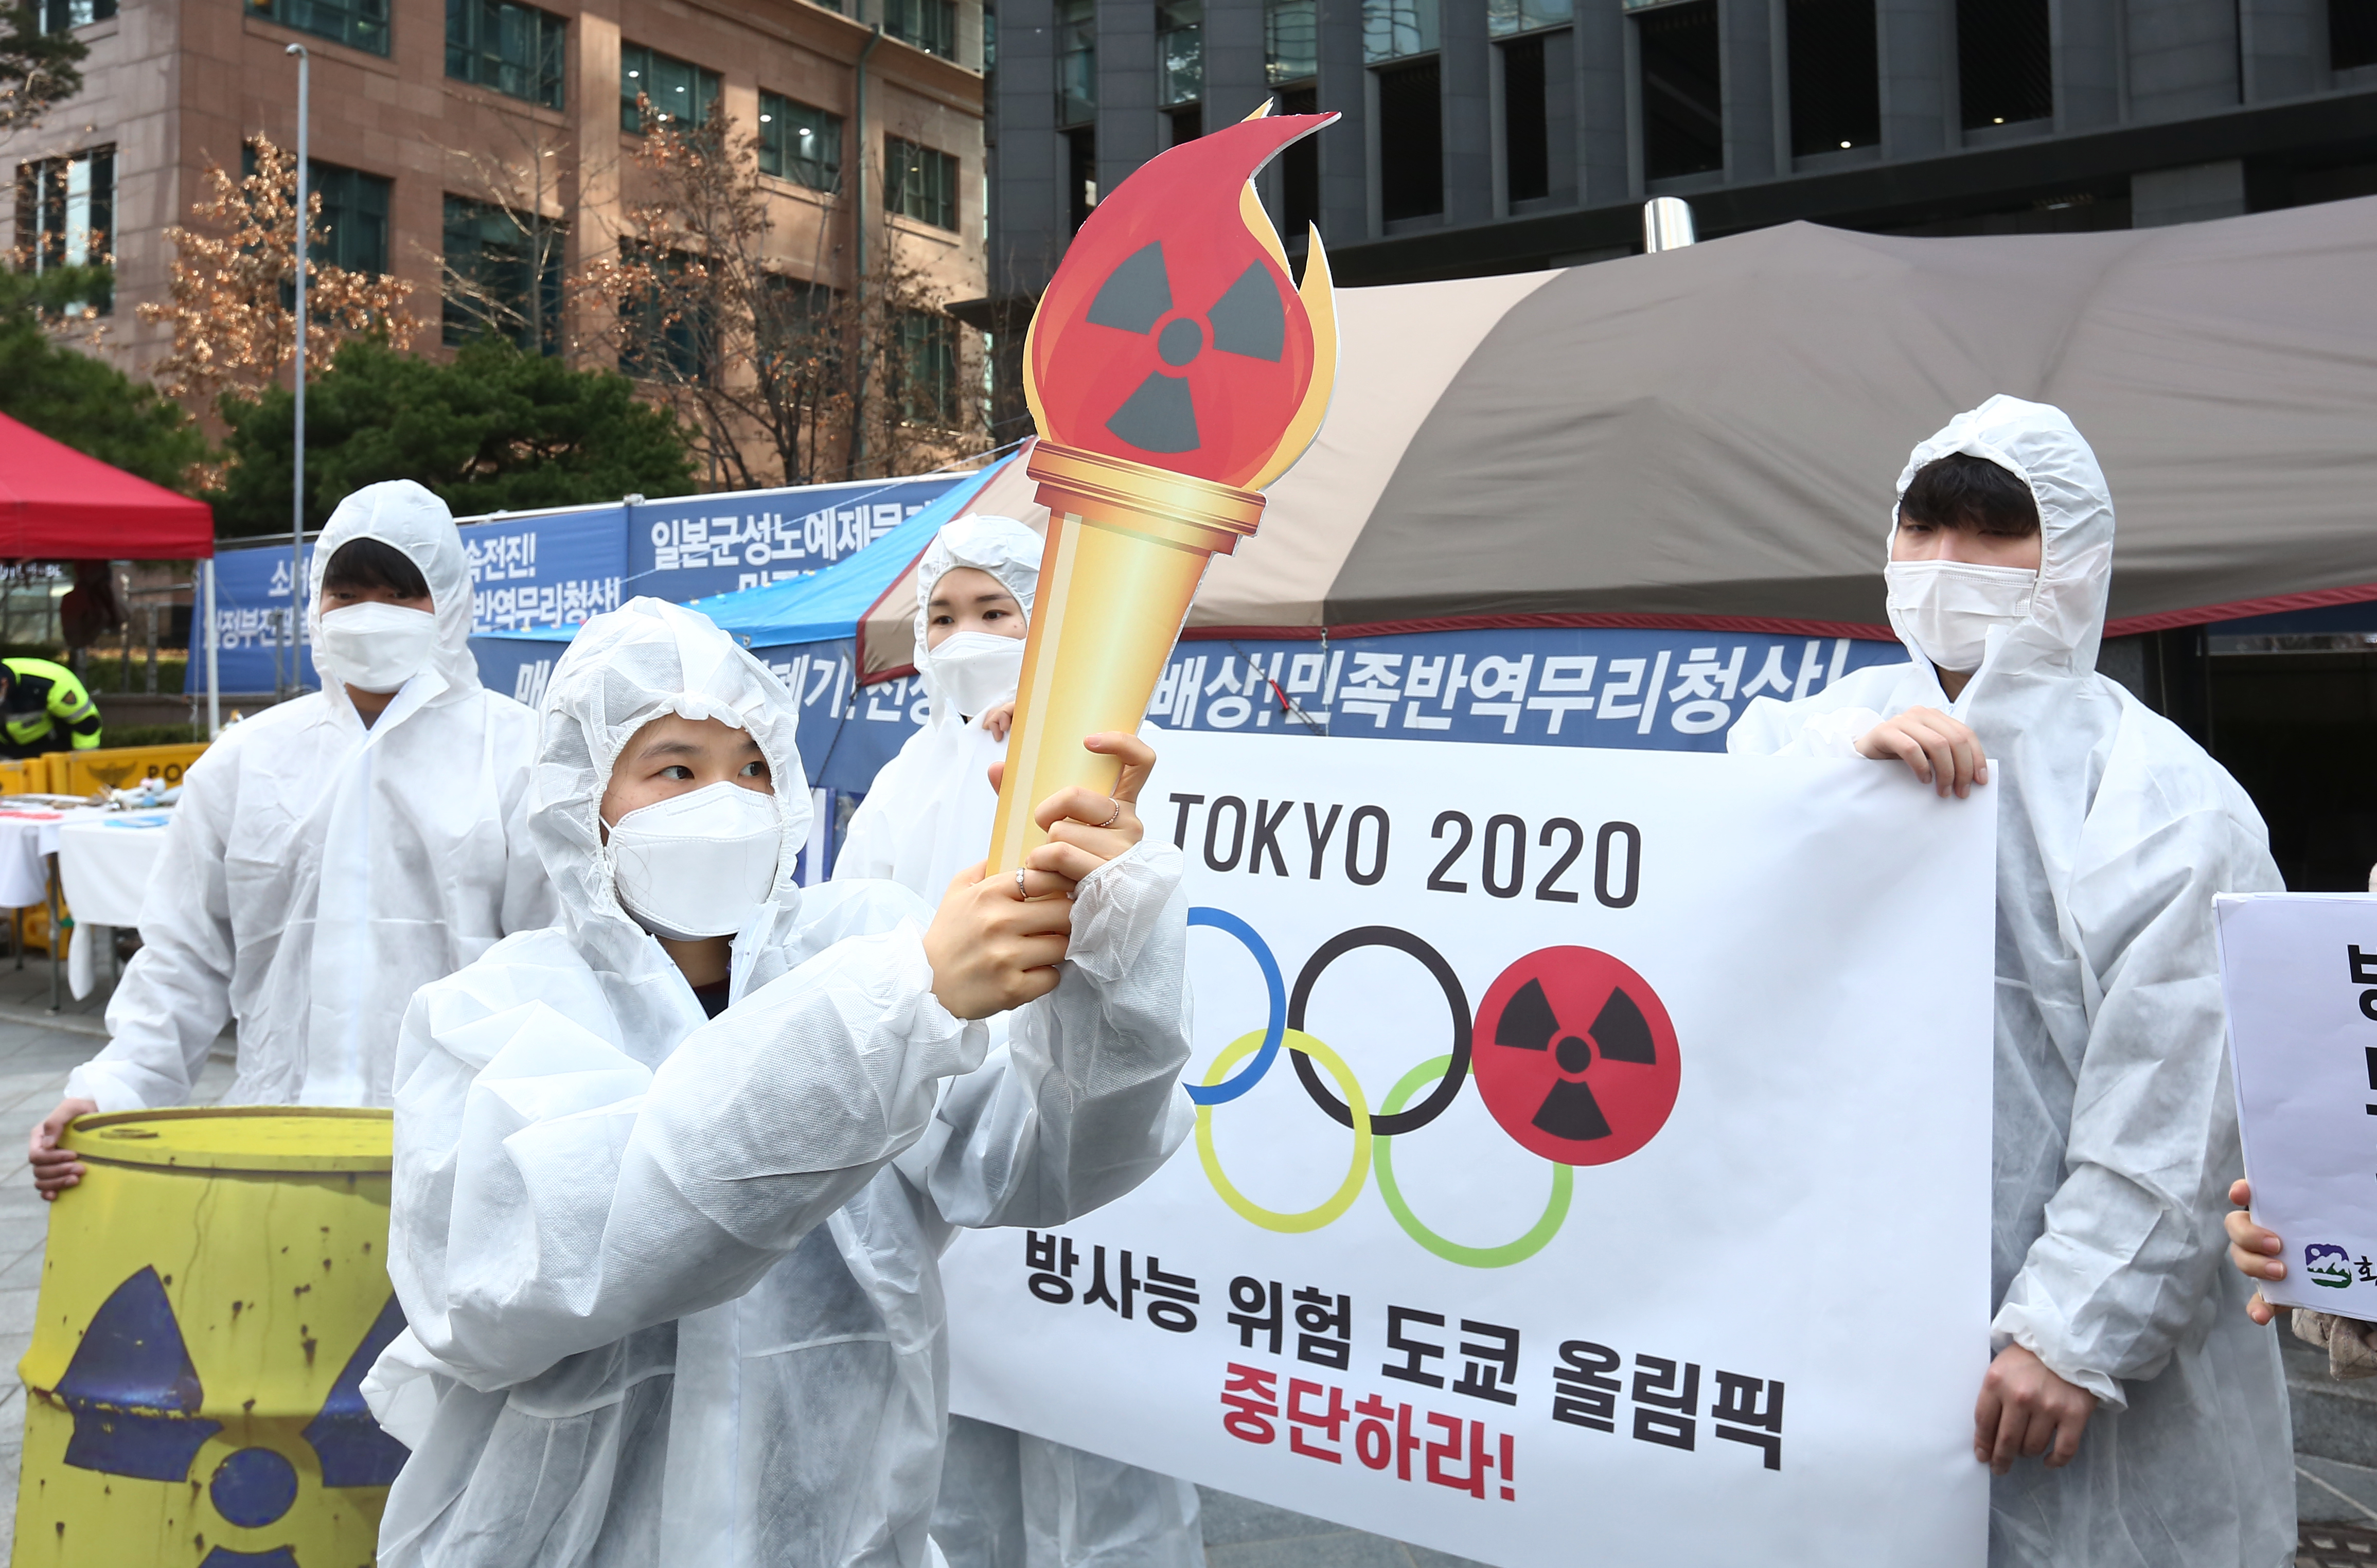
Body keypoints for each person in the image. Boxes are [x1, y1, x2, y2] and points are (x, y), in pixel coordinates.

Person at [360, 597, 1194, 1568]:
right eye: (676, 768)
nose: (728, 799)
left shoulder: (860, 944)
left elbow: (1051, 1160)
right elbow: (562, 1263)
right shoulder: (491, 1015)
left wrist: (1105, 961)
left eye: (754, 767)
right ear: (584, 799)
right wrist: (903, 1002)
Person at [1728, 396, 2292, 1567]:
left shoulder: (2164, 801)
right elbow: (1700, 894)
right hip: (1843, 1311)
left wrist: (2072, 1329)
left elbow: (2182, 1103)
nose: (1947, 563)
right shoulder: (1819, 734)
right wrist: (1826, 786)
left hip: (2071, 1384)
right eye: (1923, 528)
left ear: (2073, 559)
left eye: (1994, 534)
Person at [838, 515, 1209, 1568]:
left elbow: (1154, 938)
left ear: (1049, 622)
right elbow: (854, 947)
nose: (967, 637)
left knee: (1109, 1451)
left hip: (1085, 1123)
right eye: (944, 617)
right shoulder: (902, 782)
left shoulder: (1114, 764)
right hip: (936, 1141)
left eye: (996, 611)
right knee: (961, 1450)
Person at [26, 480, 554, 1196]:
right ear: (316, 605)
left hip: (462, 1157)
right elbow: (185, 957)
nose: (370, 616)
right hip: (275, 1143)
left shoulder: (519, 757)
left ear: (451, 601)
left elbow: (554, 967)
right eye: (348, 594)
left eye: (401, 595)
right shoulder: (249, 762)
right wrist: (112, 1091)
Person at [0, 654, 103, 758]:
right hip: (6, 749)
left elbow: (87, 724)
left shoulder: (54, 683)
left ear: (4, 684)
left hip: (54, 748)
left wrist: (83, 761)